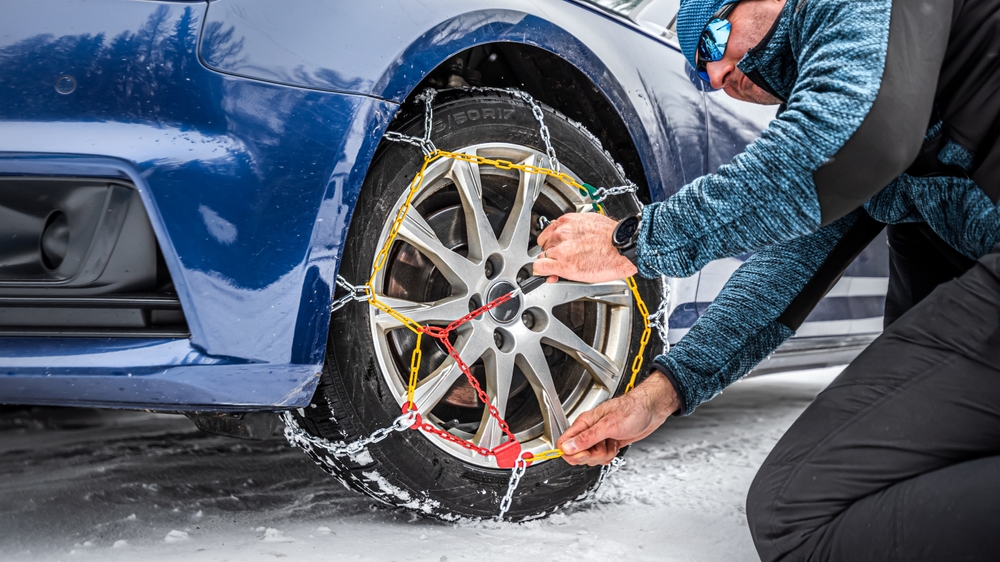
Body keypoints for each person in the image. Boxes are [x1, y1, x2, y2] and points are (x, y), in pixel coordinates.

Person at [533, 0, 1000, 559]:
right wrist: (662, 394)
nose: (713, 76)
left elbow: (840, 142)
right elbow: (784, 267)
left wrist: (630, 240)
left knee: (797, 512)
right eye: (695, 73)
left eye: (710, 41)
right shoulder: (874, 91)